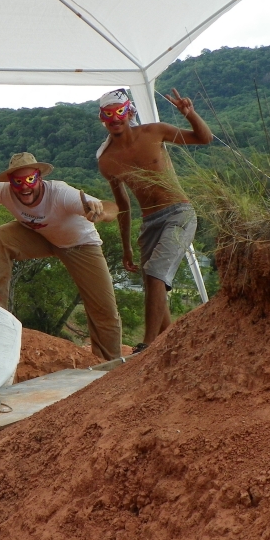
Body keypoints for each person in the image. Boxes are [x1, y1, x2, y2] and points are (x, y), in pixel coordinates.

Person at [0, 151, 123, 361]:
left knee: (104, 309)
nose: (25, 187)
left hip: (79, 244)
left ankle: (109, 364)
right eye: (18, 182)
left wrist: (101, 213)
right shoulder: (3, 191)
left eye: (30, 180)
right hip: (41, 236)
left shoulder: (61, 194)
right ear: (10, 182)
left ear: (39, 177)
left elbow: (111, 207)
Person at [95, 87, 213, 351]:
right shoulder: (107, 160)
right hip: (150, 222)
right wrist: (126, 246)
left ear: (129, 111)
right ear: (102, 118)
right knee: (151, 284)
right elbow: (123, 205)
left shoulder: (154, 131)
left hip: (179, 212)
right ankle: (169, 347)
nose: (115, 119)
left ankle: (148, 345)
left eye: (119, 112)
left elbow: (204, 138)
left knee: (156, 272)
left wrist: (190, 114)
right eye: (108, 114)